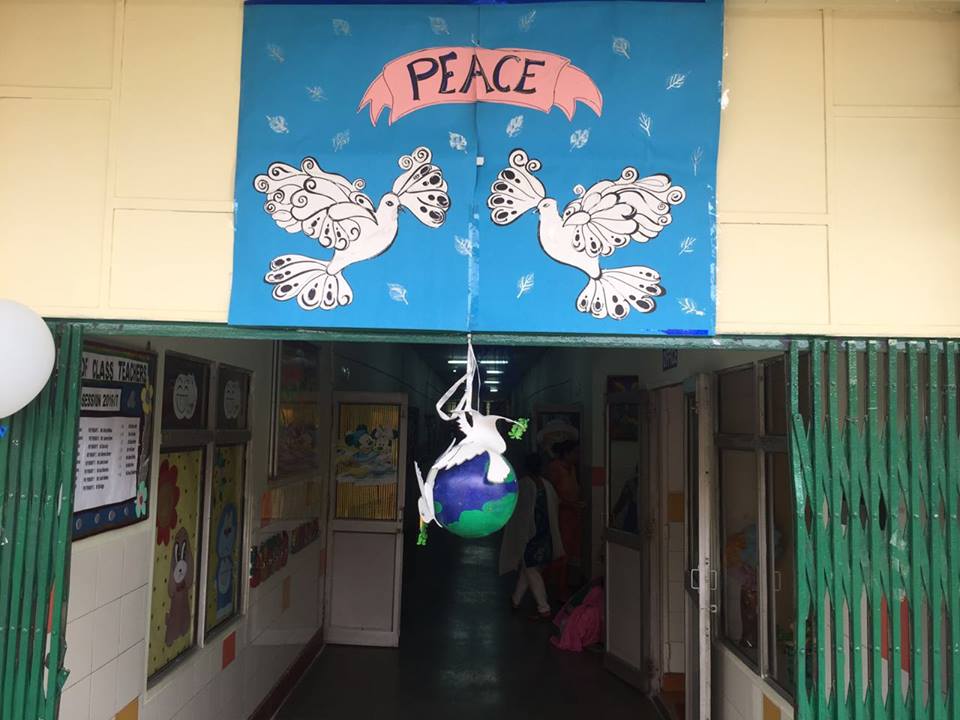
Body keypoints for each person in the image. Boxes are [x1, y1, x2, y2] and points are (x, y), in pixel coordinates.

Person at [499, 453, 564, 620]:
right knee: (529, 568)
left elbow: (518, 512)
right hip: (545, 533)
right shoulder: (546, 485)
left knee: (531, 570)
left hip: (530, 536)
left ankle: (544, 608)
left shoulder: (524, 485)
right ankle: (515, 600)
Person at [545, 439, 582, 601]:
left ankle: (561, 586)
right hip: (560, 516)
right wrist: (569, 504)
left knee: (568, 553)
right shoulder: (555, 468)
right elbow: (551, 494)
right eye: (575, 453)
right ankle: (556, 587)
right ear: (566, 454)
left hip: (572, 516)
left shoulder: (572, 469)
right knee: (560, 553)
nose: (578, 456)